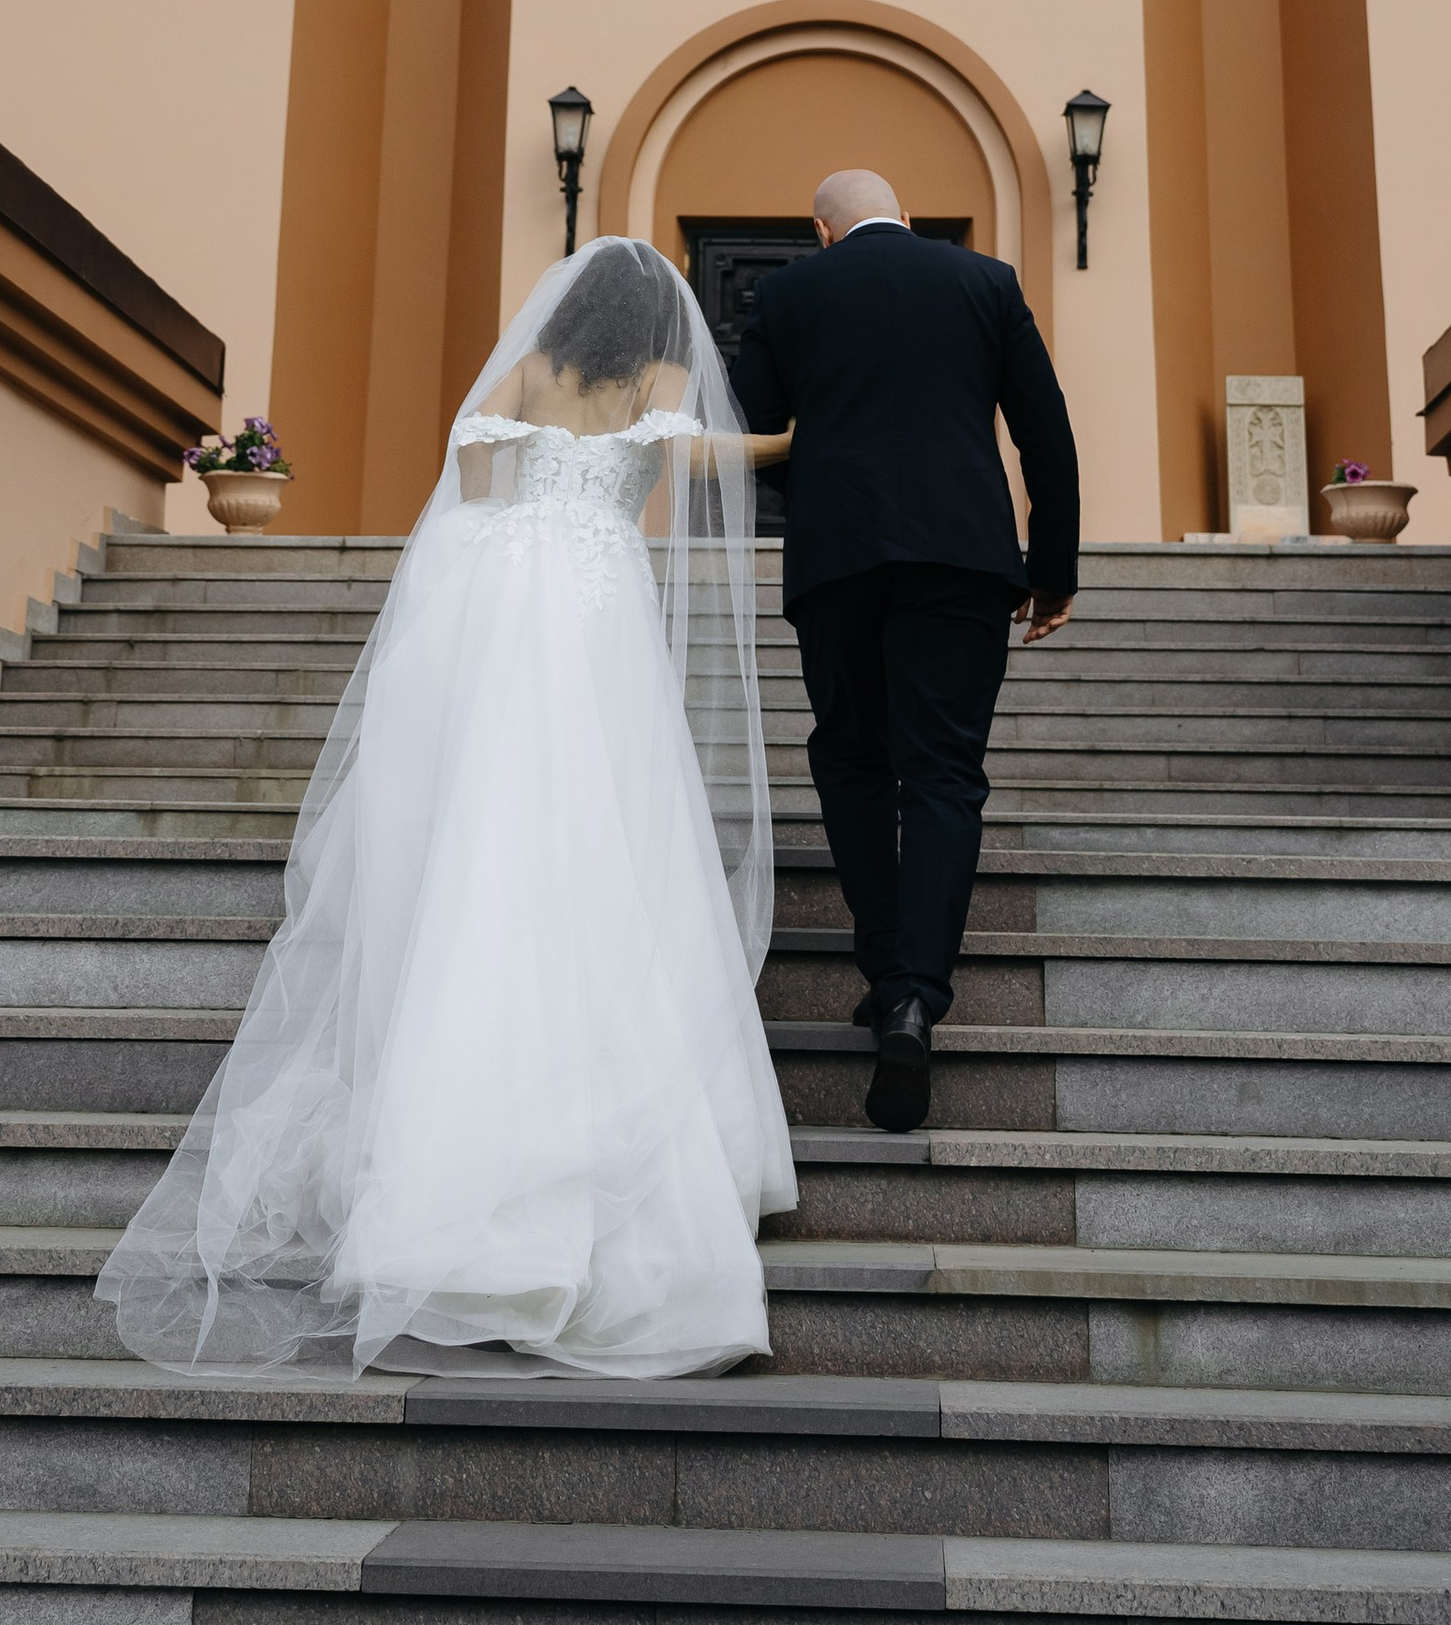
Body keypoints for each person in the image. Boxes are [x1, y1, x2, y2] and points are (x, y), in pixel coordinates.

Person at [97, 235, 795, 1379]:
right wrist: (797, 434)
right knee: (614, 833)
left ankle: (439, 1161)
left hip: (504, 614)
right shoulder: (657, 384)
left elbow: (473, 492)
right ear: (656, 324)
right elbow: (715, 457)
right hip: (596, 609)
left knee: (493, 831)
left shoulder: (526, 374)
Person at [731, 168, 1078, 1136]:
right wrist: (1051, 567)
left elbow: (756, 426)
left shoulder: (789, 291)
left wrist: (833, 486)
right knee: (942, 771)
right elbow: (1043, 434)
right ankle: (919, 992)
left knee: (850, 756)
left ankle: (885, 971)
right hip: (963, 557)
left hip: (839, 558)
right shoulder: (985, 281)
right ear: (909, 219)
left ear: (822, 227)